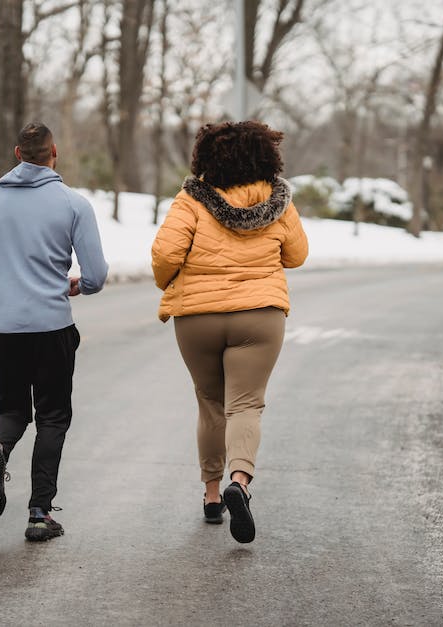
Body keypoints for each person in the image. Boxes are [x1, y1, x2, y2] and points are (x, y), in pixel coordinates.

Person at [151, 120, 309, 544]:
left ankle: (211, 495)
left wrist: (171, 279)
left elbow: (165, 255)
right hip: (260, 314)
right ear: (265, 156)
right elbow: (297, 255)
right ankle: (240, 479)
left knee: (210, 403)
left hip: (198, 317)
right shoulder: (278, 200)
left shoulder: (190, 200)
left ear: (206, 156)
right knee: (245, 404)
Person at [0, 122, 108, 542]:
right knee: (53, 417)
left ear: (17, 153)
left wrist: (8, 288)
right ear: (54, 152)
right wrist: (78, 285)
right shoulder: (72, 204)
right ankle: (40, 512)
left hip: (4, 329)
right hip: (52, 327)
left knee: (11, 412)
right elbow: (96, 274)